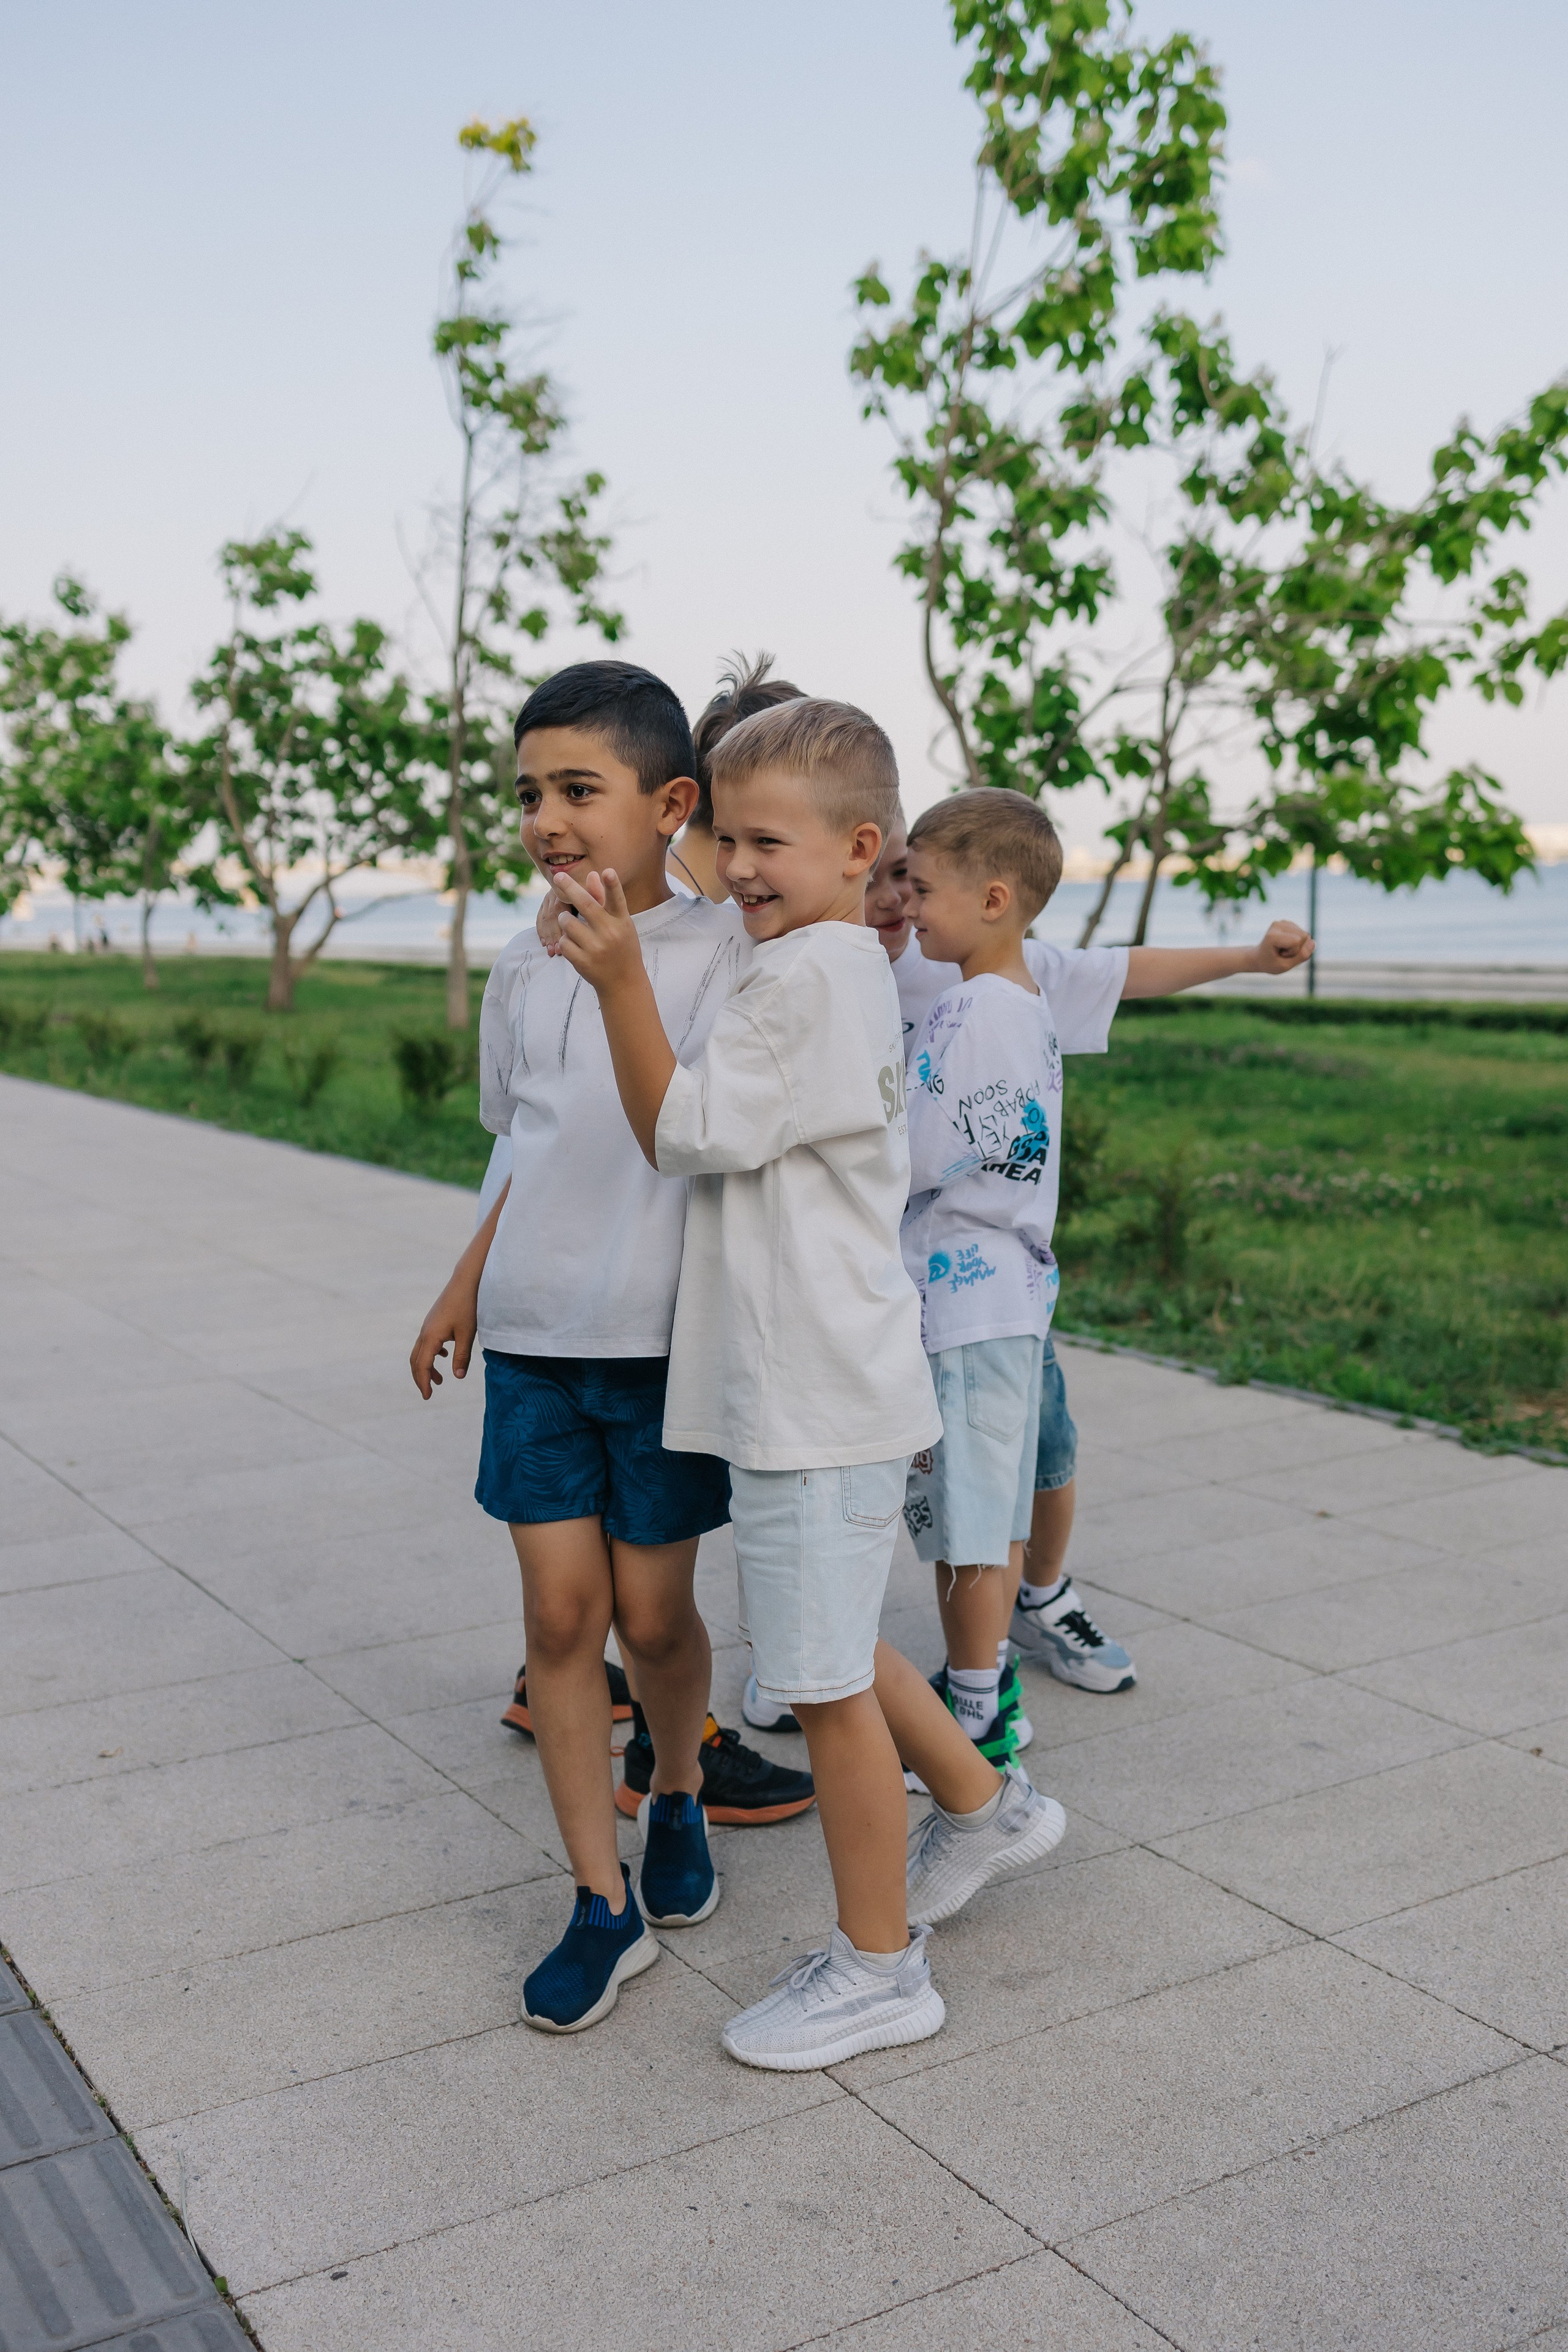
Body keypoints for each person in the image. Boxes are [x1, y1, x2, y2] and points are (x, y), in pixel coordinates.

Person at [546, 698, 1069, 2070]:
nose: (735, 869)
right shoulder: (831, 964)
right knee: (838, 1637)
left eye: (764, 841)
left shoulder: (803, 983)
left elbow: (679, 1129)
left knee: (823, 1684)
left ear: (859, 849)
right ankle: (984, 1804)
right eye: (724, 838)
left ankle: (878, 1969)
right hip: (824, 1374)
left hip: (810, 1392)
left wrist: (616, 982)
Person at [410, 660, 749, 2036]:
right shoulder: (518, 957)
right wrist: (462, 1285)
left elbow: (698, 1131)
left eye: (578, 790)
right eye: (528, 794)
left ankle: (677, 1787)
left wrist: (622, 976)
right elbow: (522, 1146)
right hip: (541, 1340)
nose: (547, 819)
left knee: (656, 1617)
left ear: (669, 803)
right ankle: (601, 1906)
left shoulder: (729, 957)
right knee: (561, 1619)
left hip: (664, 1345)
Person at [881, 801, 1313, 1743]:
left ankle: (979, 1719)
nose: (908, 905)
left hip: (967, 1302)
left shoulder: (976, 1008)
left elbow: (916, 1157)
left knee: (970, 1527)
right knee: (983, 1520)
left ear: (994, 899)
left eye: (922, 888)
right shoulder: (1010, 995)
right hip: (989, 1295)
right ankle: (983, 1696)